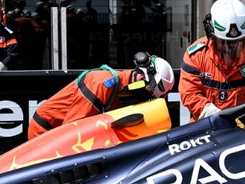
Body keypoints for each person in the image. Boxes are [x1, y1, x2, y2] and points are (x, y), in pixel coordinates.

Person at [28, 53, 175, 137]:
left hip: (60, 133)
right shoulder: (101, 84)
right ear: (144, 78)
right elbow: (72, 131)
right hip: (46, 133)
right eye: (148, 93)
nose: (145, 99)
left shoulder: (125, 92)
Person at [178, 0, 245, 120]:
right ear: (212, 37)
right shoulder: (196, 56)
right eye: (225, 42)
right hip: (205, 126)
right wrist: (215, 116)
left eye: (238, 41)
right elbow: (190, 94)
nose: (232, 47)